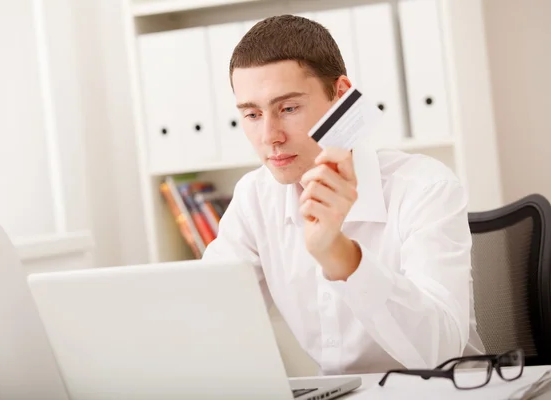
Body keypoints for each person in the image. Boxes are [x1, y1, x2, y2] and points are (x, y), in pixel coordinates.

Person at [202, 14, 485, 375]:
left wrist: (341, 256)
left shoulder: (426, 188)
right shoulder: (255, 197)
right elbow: (211, 319)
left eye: (288, 108)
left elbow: (440, 351)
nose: (270, 135)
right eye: (253, 114)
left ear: (340, 95)